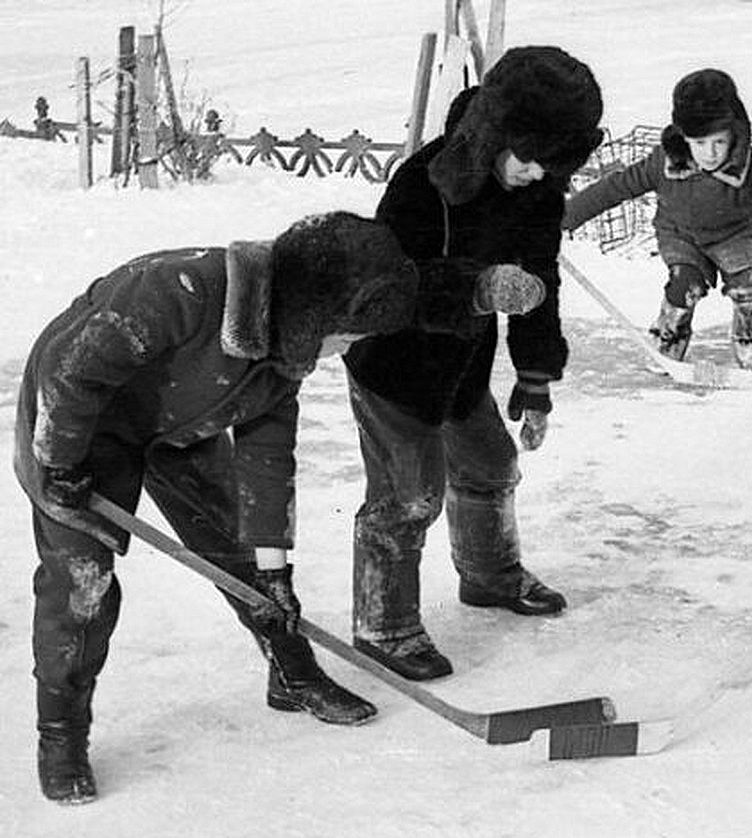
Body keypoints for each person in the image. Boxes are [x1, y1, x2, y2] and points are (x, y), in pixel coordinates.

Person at [15, 210, 545, 805]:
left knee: (239, 551)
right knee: (83, 587)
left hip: (183, 428)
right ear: (315, 314)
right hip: (77, 428)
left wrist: (277, 572)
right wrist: (60, 462)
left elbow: (267, 466)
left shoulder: (283, 355)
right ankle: (60, 733)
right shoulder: (177, 291)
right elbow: (72, 372)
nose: (350, 346)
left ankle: (293, 673)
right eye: (347, 333)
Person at [342, 46, 604, 682]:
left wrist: (537, 378)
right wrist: (478, 288)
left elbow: (539, 283)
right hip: (393, 366)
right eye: (531, 155)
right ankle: (384, 624)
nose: (539, 174)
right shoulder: (423, 184)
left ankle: (488, 576)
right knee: (409, 496)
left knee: (491, 463)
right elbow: (384, 285)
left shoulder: (537, 196)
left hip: (460, 366)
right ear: (496, 131)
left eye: (555, 163)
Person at [561, 68, 752, 372]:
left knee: (745, 285)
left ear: (734, 134)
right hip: (681, 235)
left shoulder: (749, 165)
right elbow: (616, 187)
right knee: (684, 285)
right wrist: (567, 217)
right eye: (699, 144)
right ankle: (669, 335)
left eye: (719, 142)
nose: (711, 153)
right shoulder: (664, 163)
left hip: (735, 235)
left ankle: (751, 334)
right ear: (684, 138)